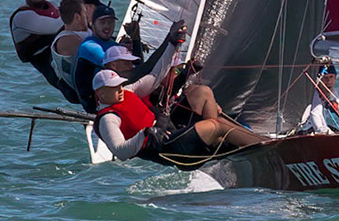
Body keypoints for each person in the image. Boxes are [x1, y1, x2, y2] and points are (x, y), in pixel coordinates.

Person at [90, 42, 265, 163]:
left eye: (120, 85)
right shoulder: (108, 118)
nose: (120, 89)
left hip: (170, 131)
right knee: (215, 126)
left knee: (211, 108)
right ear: (101, 93)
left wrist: (173, 45)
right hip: (164, 148)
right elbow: (120, 152)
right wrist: (145, 134)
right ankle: (263, 147)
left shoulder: (128, 91)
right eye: (114, 87)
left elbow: (155, 75)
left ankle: (239, 144)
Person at [8, 0, 71, 100]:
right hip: (58, 76)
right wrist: (81, 7)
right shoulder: (22, 17)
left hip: (67, 62)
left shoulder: (52, 7)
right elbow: (56, 26)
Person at [48, 0, 93, 106]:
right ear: (77, 17)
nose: (87, 16)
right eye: (84, 13)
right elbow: (94, 52)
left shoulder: (83, 31)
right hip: (86, 92)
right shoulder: (66, 40)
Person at [298, 62, 339, 135]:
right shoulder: (314, 95)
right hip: (307, 130)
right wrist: (330, 133)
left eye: (331, 77)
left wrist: (337, 107)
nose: (329, 81)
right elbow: (316, 120)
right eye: (325, 77)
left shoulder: (332, 93)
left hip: (322, 128)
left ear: (335, 78)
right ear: (319, 80)